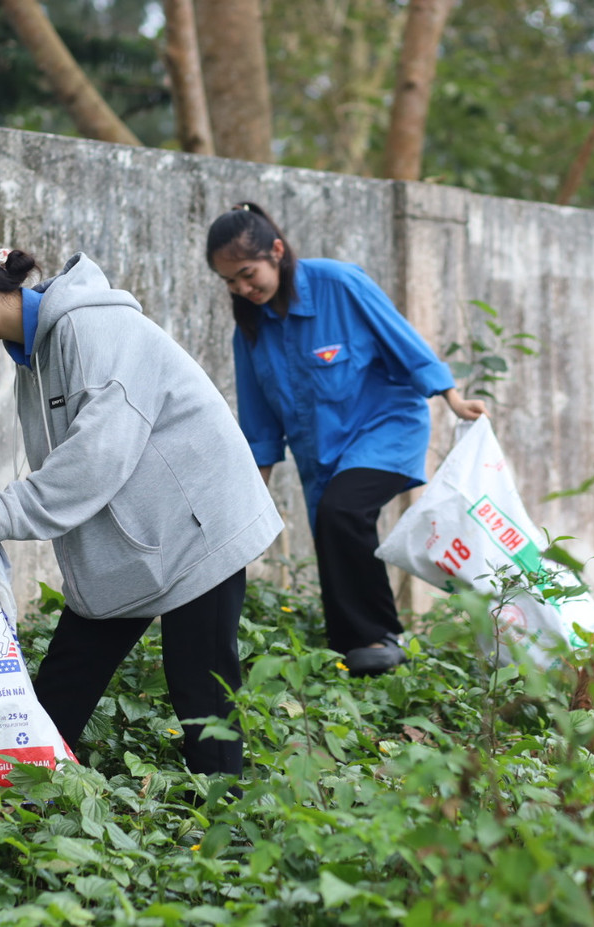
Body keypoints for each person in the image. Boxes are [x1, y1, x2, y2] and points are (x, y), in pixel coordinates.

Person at [0, 237, 283, 777]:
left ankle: (228, 834)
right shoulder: (33, 359)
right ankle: (19, 788)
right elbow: (70, 466)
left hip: (201, 523)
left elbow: (97, 457)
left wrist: (3, 512)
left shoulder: (91, 328)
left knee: (200, 687)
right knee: (69, 674)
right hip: (140, 537)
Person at [205, 203, 486, 677]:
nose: (241, 290)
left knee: (342, 512)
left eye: (248, 275)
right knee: (332, 534)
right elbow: (258, 422)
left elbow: (404, 340)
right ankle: (351, 652)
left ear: (277, 251)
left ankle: (380, 637)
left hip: (387, 427)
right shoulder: (249, 329)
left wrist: (453, 400)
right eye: (230, 282)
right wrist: (253, 494)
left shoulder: (339, 283)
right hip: (321, 455)